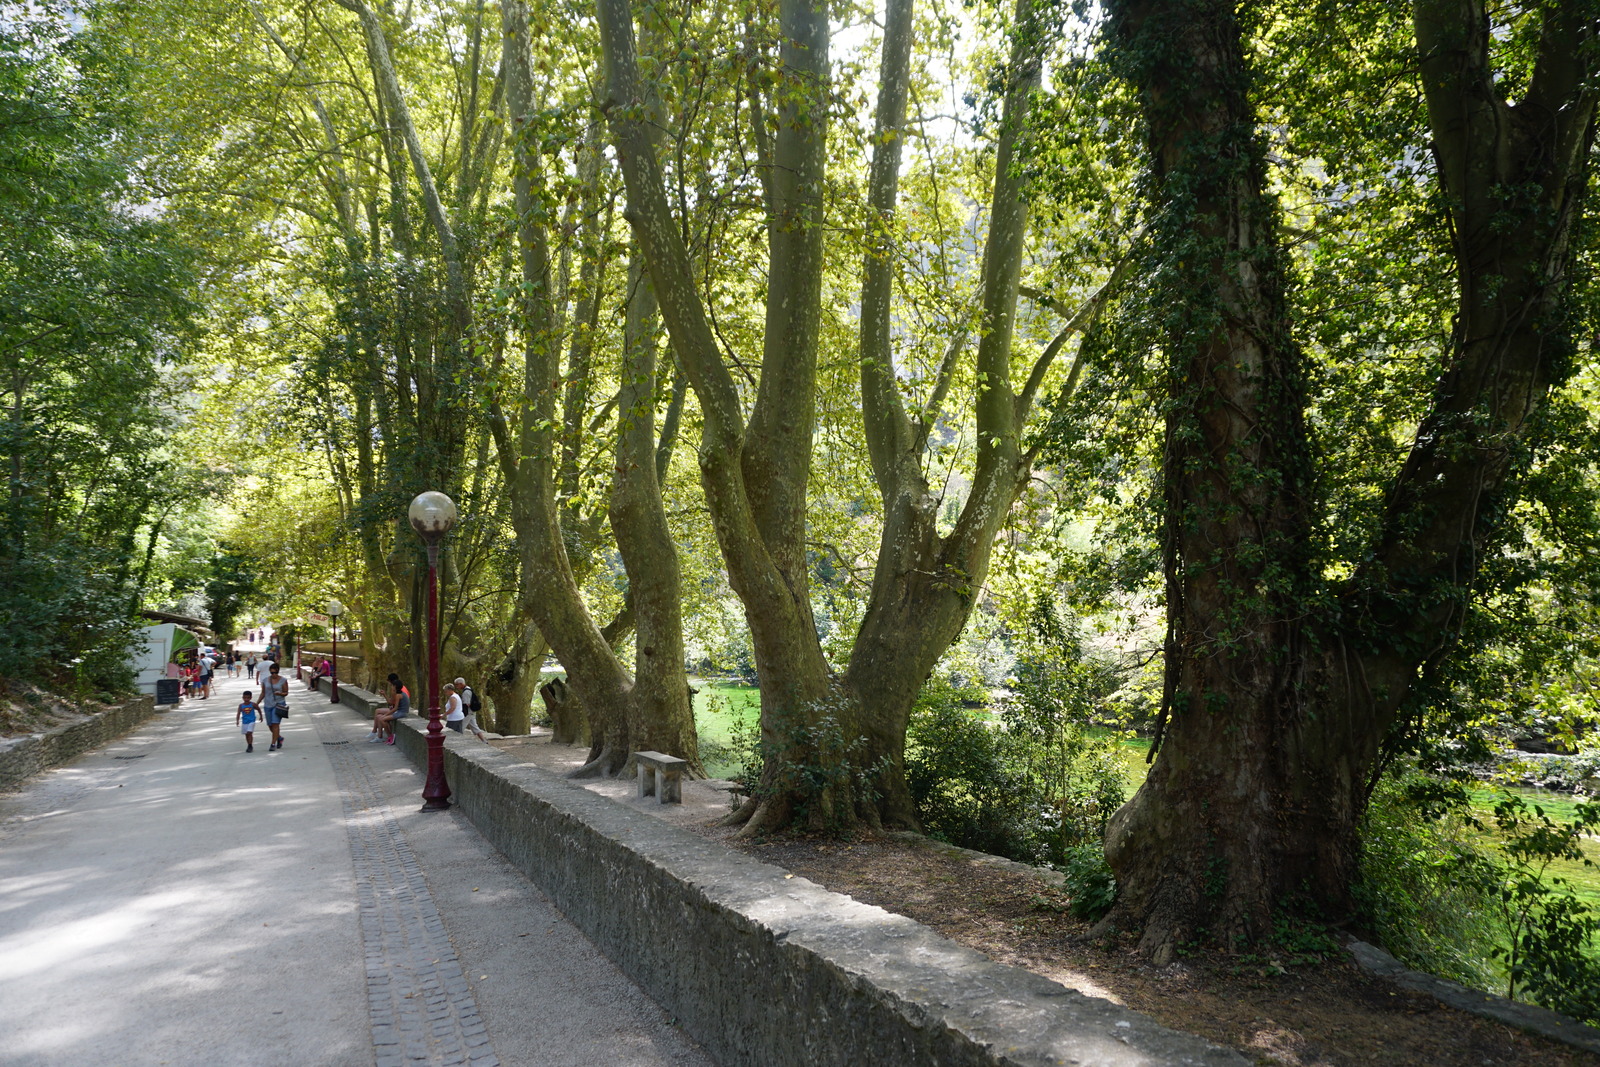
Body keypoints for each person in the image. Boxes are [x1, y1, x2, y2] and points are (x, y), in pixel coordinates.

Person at [370, 674, 409, 745]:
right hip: (399, 711)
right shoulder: (399, 694)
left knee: (382, 718)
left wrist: (385, 714)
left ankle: (390, 736)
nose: (391, 687)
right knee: (380, 717)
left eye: (392, 686)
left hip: (401, 712)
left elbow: (395, 708)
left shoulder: (398, 695)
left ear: (395, 686)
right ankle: (383, 736)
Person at [262, 664, 289, 751]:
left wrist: (280, 693)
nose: (273, 674)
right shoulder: (265, 680)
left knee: (275, 723)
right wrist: (256, 703)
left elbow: (286, 692)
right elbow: (263, 693)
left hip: (279, 704)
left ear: (278, 671)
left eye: (275, 672)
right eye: (272, 672)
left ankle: (273, 743)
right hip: (268, 704)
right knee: (270, 725)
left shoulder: (283, 680)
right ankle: (279, 738)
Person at [455, 676, 486, 741]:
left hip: (468, 712)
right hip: (471, 712)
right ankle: (484, 741)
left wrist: (462, 713)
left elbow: (466, 704)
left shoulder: (466, 692)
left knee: (460, 727)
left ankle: (458, 741)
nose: (457, 686)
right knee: (475, 727)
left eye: (457, 685)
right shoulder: (469, 689)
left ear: (461, 683)